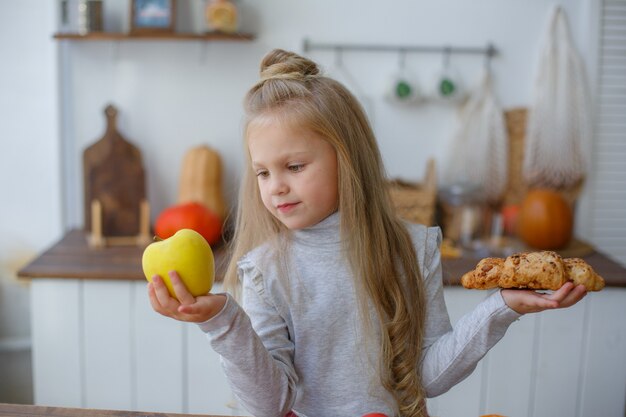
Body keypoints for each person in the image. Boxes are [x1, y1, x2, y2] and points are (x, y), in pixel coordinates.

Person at [147, 49, 587, 417]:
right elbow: (270, 404)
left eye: (295, 166)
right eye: (263, 172)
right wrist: (222, 321)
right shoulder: (263, 270)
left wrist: (501, 308)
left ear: (348, 159)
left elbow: (428, 377)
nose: (276, 185)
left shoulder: (414, 249)